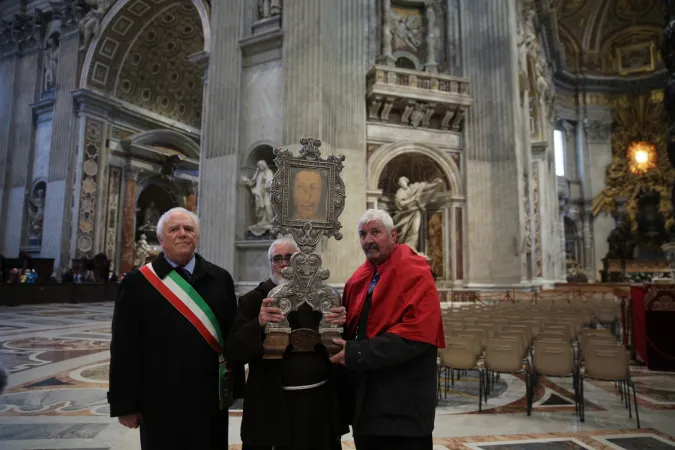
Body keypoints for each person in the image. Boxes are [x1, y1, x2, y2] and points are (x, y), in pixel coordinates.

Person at [108, 207, 241, 450]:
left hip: (208, 398)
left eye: (188, 229)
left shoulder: (220, 278)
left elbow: (231, 337)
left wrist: (235, 389)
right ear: (161, 239)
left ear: (197, 237)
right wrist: (124, 405)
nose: (182, 234)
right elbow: (124, 348)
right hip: (160, 399)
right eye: (174, 229)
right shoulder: (138, 283)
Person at [331, 209, 445, 450]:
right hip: (367, 406)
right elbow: (359, 328)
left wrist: (356, 353)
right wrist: (341, 322)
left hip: (403, 409)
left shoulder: (416, 273)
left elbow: (415, 338)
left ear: (393, 235)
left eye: (375, 232)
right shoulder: (358, 279)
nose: (368, 240)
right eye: (362, 234)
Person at [227, 237, 346, 450]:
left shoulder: (323, 298)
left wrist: (340, 323)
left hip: (316, 404)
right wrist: (259, 323)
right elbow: (235, 350)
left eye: (290, 258)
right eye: (277, 259)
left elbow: (336, 347)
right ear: (270, 264)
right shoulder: (254, 300)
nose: (283, 263)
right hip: (271, 406)